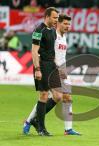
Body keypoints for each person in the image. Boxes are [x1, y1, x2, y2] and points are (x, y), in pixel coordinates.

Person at [23, 14, 80, 135]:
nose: (67, 26)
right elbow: (47, 53)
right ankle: (30, 121)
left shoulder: (63, 37)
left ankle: (68, 129)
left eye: (69, 24)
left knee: (64, 97)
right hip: (52, 69)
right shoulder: (53, 35)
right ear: (58, 23)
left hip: (62, 70)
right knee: (46, 96)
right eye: (65, 23)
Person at [23, 7, 62, 136]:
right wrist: (37, 69)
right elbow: (34, 51)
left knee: (58, 96)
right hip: (42, 64)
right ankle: (41, 128)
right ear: (46, 16)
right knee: (44, 96)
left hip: (52, 65)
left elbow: (53, 49)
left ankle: (35, 120)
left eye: (57, 18)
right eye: (54, 17)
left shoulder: (54, 31)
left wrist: (57, 64)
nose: (57, 20)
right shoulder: (39, 30)